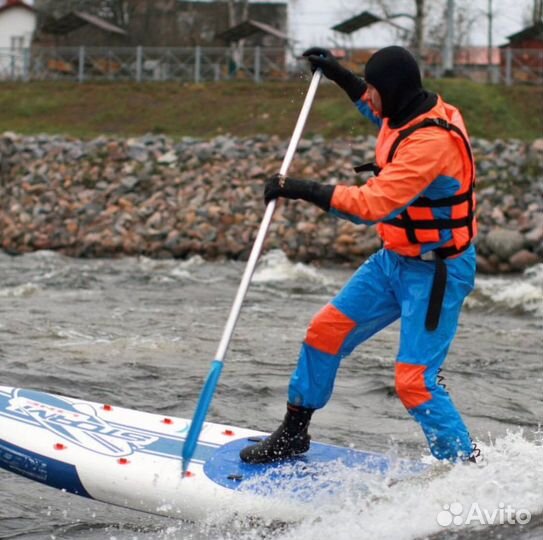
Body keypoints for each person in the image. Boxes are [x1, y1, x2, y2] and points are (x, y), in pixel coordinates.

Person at [240, 46, 480, 465]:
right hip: (394, 262)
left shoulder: (430, 143)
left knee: (414, 384)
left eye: (372, 88)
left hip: (438, 273)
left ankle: (464, 469)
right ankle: (294, 433)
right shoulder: (403, 112)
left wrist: (298, 188)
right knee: (324, 332)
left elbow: (371, 206)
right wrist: (338, 75)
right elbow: (378, 113)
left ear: (394, 91)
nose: (367, 96)